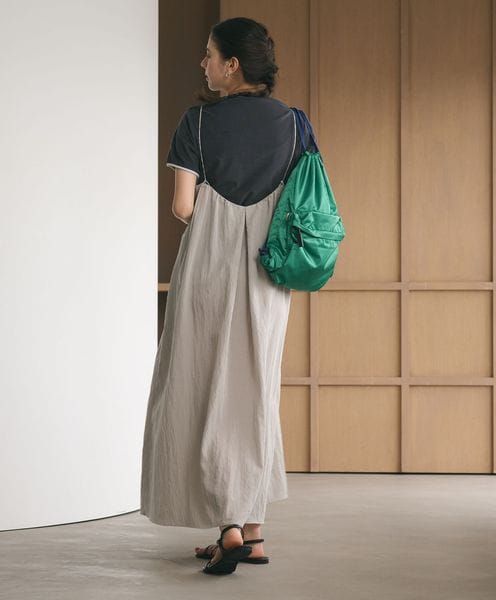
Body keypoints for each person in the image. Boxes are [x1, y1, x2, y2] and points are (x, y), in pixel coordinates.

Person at [139, 16, 315, 576]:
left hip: (208, 268)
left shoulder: (196, 123)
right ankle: (253, 532)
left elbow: (183, 207)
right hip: (270, 272)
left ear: (232, 64)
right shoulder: (295, 125)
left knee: (201, 385)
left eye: (210, 54)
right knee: (254, 388)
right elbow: (304, 200)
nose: (204, 63)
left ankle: (229, 526)